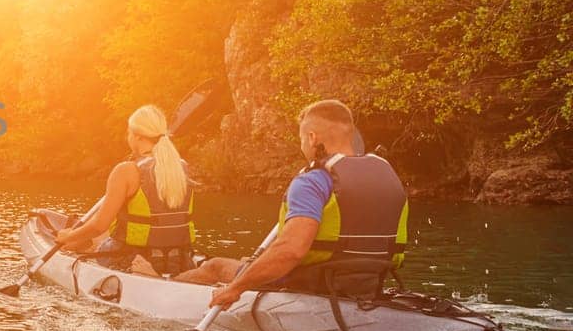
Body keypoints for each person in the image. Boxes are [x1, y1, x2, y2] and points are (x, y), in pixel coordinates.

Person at [181, 99, 409, 310]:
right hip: (367, 283)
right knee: (249, 264)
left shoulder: (312, 181)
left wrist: (236, 288)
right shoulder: (387, 176)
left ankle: (161, 285)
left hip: (311, 282)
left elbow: (291, 250)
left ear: (312, 137)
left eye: (301, 139)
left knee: (216, 266)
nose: (302, 146)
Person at [51, 104, 195, 276]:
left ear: (137, 137)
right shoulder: (181, 167)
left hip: (132, 259)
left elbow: (99, 225)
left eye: (128, 132)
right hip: (179, 261)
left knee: (92, 237)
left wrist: (68, 237)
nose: (127, 137)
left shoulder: (126, 171)